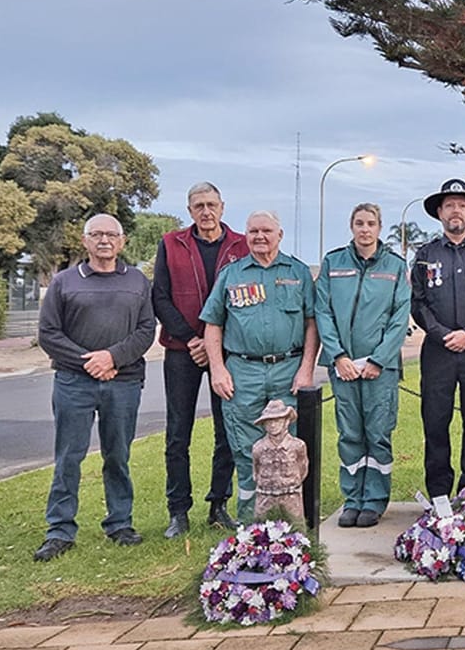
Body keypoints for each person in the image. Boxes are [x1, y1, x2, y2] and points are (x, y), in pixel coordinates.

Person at [34, 214, 155, 561]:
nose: (104, 240)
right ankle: (59, 530)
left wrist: (112, 358)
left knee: (118, 455)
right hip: (74, 382)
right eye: (96, 234)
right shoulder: (64, 282)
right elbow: (49, 334)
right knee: (68, 457)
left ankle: (119, 523)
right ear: (85, 240)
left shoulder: (137, 282)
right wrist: (91, 361)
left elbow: (146, 330)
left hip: (124, 382)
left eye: (111, 234)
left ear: (123, 241)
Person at [200, 210, 318, 523]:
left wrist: (307, 368)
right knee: (245, 448)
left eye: (266, 231)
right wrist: (218, 369)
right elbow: (213, 325)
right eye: (253, 231)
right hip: (243, 372)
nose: (260, 237)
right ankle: (250, 526)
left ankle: (290, 523)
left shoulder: (298, 272)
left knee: (288, 448)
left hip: (287, 370)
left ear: (280, 235)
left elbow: (311, 323)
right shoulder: (232, 274)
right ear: (246, 235)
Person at [152, 182, 247, 538]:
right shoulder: (171, 244)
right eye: (198, 206)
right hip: (182, 350)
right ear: (189, 210)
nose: (206, 212)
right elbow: (160, 297)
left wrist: (216, 346)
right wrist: (193, 339)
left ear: (222, 207)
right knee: (178, 434)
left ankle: (219, 504)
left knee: (227, 431)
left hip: (227, 354)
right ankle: (178, 510)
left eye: (211, 205)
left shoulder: (240, 245)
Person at [316, 203, 411, 528]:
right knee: (350, 435)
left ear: (380, 227)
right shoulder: (333, 263)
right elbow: (323, 313)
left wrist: (378, 360)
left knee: (378, 435)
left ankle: (373, 500)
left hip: (379, 370)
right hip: (343, 367)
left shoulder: (395, 267)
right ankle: (352, 499)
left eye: (371, 223)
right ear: (351, 226)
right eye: (359, 223)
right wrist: (338, 356)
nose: (365, 229)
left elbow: (400, 318)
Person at [411, 179, 465, 498]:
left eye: (462, 205)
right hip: (438, 352)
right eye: (449, 205)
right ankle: (438, 492)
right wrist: (444, 334)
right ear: (439, 212)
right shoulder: (425, 254)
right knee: (435, 422)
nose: (456, 211)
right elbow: (418, 303)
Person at [252, 400, 308, 524]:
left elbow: (302, 468)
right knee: (260, 529)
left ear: (286, 422)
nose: (273, 425)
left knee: (296, 526)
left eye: (277, 421)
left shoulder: (297, 446)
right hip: (265, 495)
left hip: (290, 495)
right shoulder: (258, 448)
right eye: (269, 422)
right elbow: (256, 470)